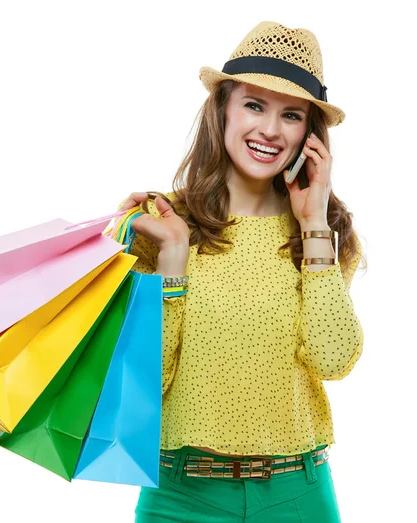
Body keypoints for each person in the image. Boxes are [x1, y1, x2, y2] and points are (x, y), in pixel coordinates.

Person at [116, 21, 366, 522]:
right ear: (223, 108)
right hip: (178, 496)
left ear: (308, 136)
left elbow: (334, 359)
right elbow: (141, 381)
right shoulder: (164, 226)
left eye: (291, 115)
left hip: (297, 494)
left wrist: (313, 223)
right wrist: (171, 263)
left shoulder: (324, 230)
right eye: (254, 105)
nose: (270, 130)